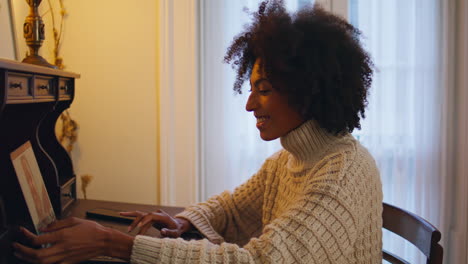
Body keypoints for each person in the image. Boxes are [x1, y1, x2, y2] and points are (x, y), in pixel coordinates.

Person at [13, 1, 382, 263]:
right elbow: (231, 208)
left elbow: (262, 261)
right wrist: (183, 220)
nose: (250, 104)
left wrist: (113, 244)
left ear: (307, 92)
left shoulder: (342, 173)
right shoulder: (289, 161)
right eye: (251, 88)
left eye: (264, 89)